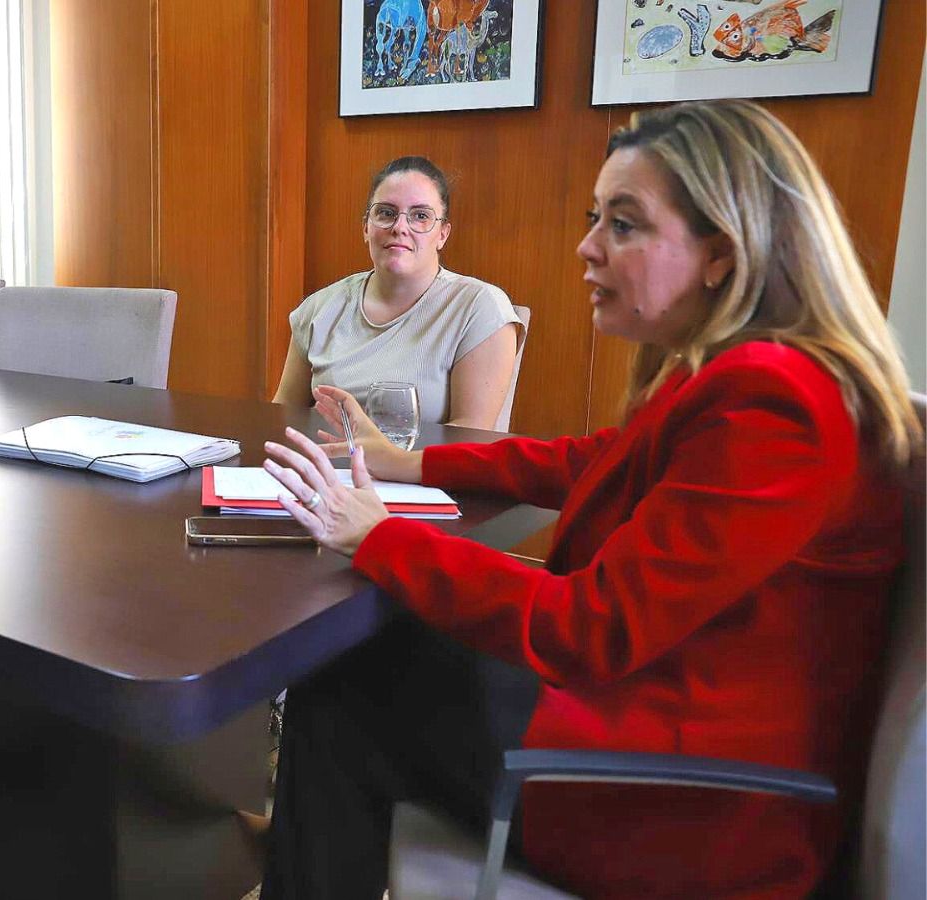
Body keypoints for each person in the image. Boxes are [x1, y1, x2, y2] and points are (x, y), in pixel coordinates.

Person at [258, 100, 920, 898]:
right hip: (659, 719)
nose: (587, 246)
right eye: (594, 217)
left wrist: (376, 536)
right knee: (362, 668)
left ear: (721, 251)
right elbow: (592, 460)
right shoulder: (744, 376)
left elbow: (590, 628)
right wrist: (408, 461)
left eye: (624, 224)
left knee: (342, 694)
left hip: (690, 798)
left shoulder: (777, 403)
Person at [272, 156, 523, 430]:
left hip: (426, 472)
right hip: (324, 469)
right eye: (386, 213)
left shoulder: (480, 308)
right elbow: (283, 418)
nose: (400, 227)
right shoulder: (319, 308)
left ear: (442, 235)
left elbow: (470, 435)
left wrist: (385, 463)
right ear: (366, 228)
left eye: (420, 216)